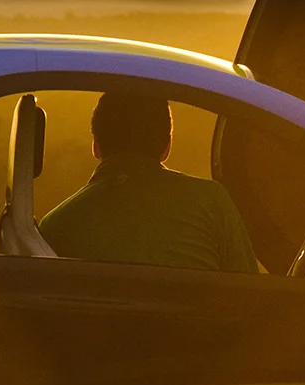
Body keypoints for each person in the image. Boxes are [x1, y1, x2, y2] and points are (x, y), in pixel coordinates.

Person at [39, 91, 258, 273]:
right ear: (166, 147)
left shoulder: (54, 227)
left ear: (95, 145)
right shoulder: (212, 202)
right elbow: (252, 295)